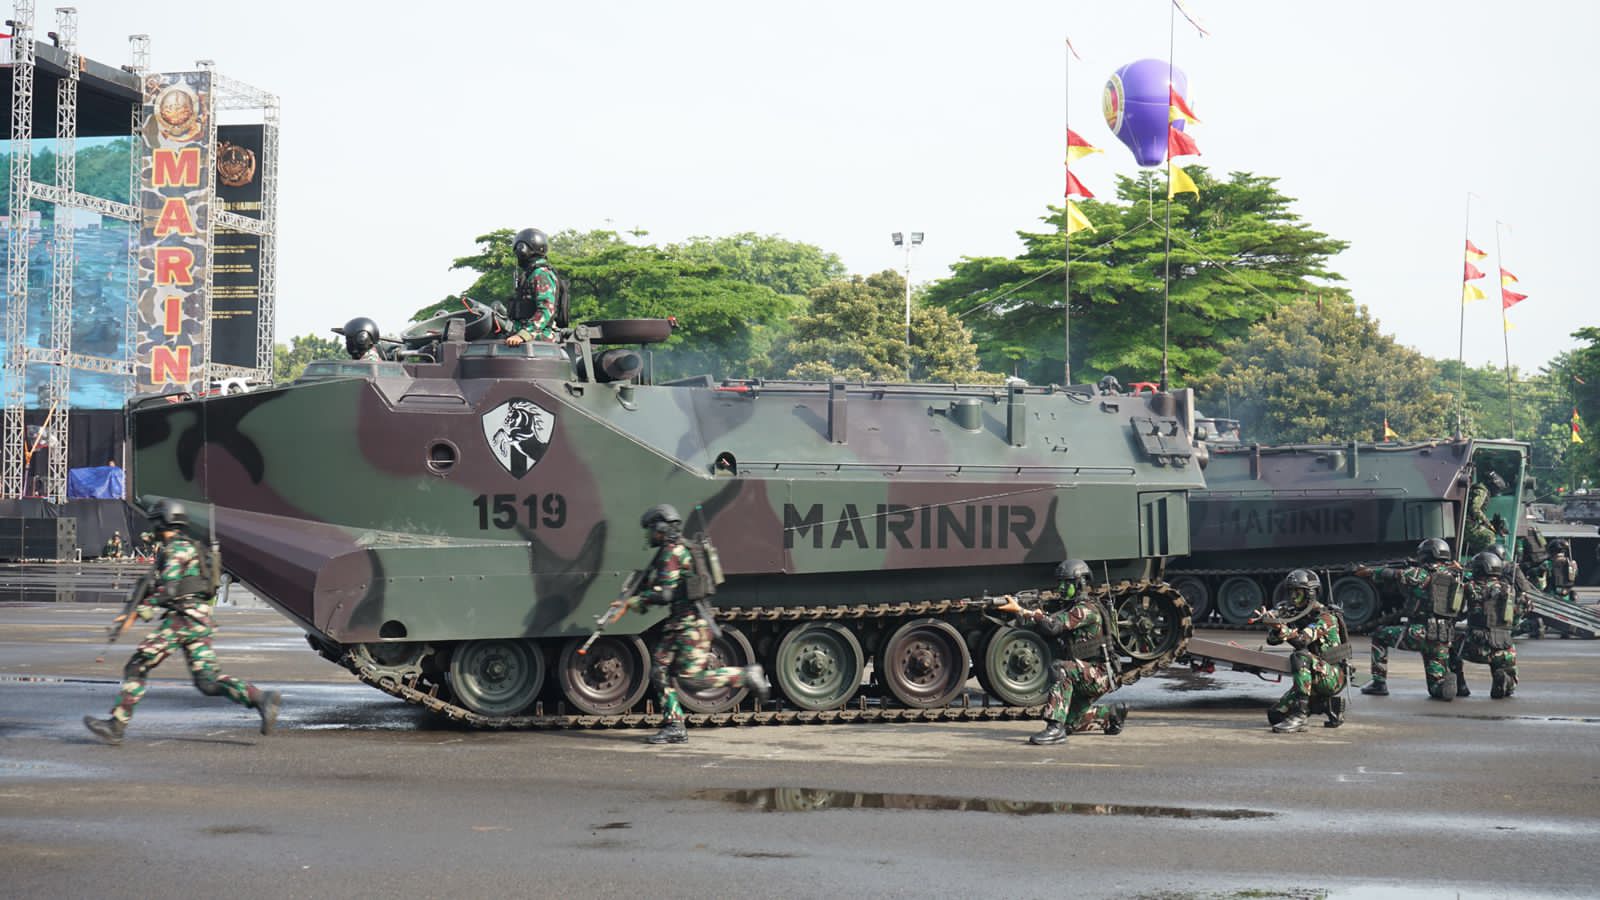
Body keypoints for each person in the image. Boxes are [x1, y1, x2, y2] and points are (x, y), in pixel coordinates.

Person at [83, 500, 281, 745]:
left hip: (182, 620)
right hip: (198, 619)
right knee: (207, 680)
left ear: (161, 522)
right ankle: (260, 698)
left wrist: (137, 614)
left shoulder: (175, 550)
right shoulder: (188, 547)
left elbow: (169, 589)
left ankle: (116, 725)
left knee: (137, 666)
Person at [627, 504, 767, 745]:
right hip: (679, 624)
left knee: (693, 680)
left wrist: (638, 600)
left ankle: (747, 675)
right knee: (659, 671)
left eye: (651, 529)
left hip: (691, 625)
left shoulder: (673, 552)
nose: (649, 535)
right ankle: (675, 727)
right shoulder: (673, 550)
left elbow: (667, 593)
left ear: (661, 527)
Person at [994, 559, 1128, 745]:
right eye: (1061, 583)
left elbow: (1053, 626)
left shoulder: (1086, 610)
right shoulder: (1073, 608)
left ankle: (1054, 729)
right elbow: (1043, 626)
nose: (1062, 588)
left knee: (1059, 669)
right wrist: (1018, 613)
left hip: (1099, 674)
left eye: (1067, 583)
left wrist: (1025, 611)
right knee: (1071, 723)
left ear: (1080, 584)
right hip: (1085, 673)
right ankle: (1110, 714)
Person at [1357, 538, 1463, 700]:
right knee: (1435, 688)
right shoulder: (1456, 575)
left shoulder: (1419, 573)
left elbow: (1390, 574)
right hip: (1442, 638)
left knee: (1379, 635)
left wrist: (1368, 571)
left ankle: (1379, 683)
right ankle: (1443, 685)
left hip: (1418, 633)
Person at [1259, 569, 1352, 732]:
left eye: (1298, 592)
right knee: (1275, 716)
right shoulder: (1298, 614)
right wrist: (1273, 624)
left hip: (1333, 675)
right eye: (1291, 592)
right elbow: (1272, 641)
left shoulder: (1325, 617)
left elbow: (1301, 641)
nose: (1293, 597)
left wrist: (1282, 627)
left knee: (1299, 656)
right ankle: (1328, 705)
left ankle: (1300, 715)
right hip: (1314, 673)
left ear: (1311, 593)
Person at [1452, 551, 1518, 699]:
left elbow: (1457, 613)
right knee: (1507, 666)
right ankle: (1505, 681)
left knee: (1448, 645)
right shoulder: (1509, 589)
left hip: (1477, 647)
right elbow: (1521, 612)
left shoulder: (1469, 587)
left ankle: (1460, 685)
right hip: (1504, 646)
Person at [504, 228, 560, 346]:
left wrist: (523, 335)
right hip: (525, 332)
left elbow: (546, 310)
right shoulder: (530, 274)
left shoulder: (541, 274)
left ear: (522, 250)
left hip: (541, 335)